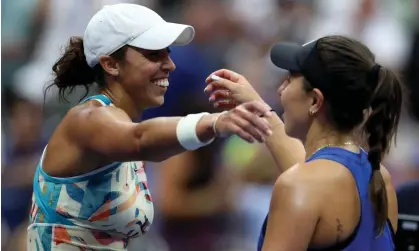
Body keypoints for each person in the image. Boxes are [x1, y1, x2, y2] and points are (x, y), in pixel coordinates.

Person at [27, 3, 273, 250]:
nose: (170, 65)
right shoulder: (87, 119)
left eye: (167, 53)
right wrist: (215, 122)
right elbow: (139, 139)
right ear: (111, 64)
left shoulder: (121, 132)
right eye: (154, 54)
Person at [205, 35, 402, 251]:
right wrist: (256, 105)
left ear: (315, 101)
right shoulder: (379, 178)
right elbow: (312, 175)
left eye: (289, 80)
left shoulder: (299, 185)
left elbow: (307, 183)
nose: (280, 90)